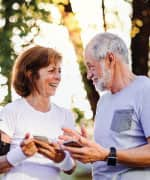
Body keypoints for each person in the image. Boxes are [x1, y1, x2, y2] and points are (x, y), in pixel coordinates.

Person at [60, 32, 150, 180]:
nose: (89, 75)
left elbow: (108, 154)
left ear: (110, 59)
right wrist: (87, 148)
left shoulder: (145, 90)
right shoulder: (103, 102)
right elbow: (105, 153)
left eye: (91, 67)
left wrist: (108, 155)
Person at [0, 46, 76, 180]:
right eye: (52, 71)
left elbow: (71, 168)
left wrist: (60, 158)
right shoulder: (11, 112)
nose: (58, 77)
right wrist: (22, 153)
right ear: (30, 74)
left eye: (59, 71)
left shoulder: (65, 115)